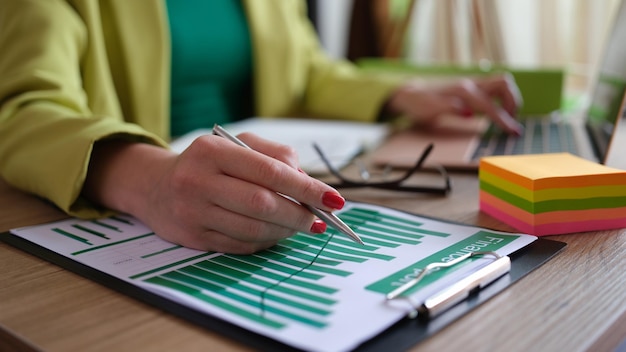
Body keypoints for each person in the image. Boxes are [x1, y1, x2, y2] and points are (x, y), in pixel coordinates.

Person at [0, 1, 522, 254]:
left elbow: (308, 71)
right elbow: (24, 107)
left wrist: (401, 93)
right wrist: (149, 179)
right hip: (136, 218)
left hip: (257, 194)